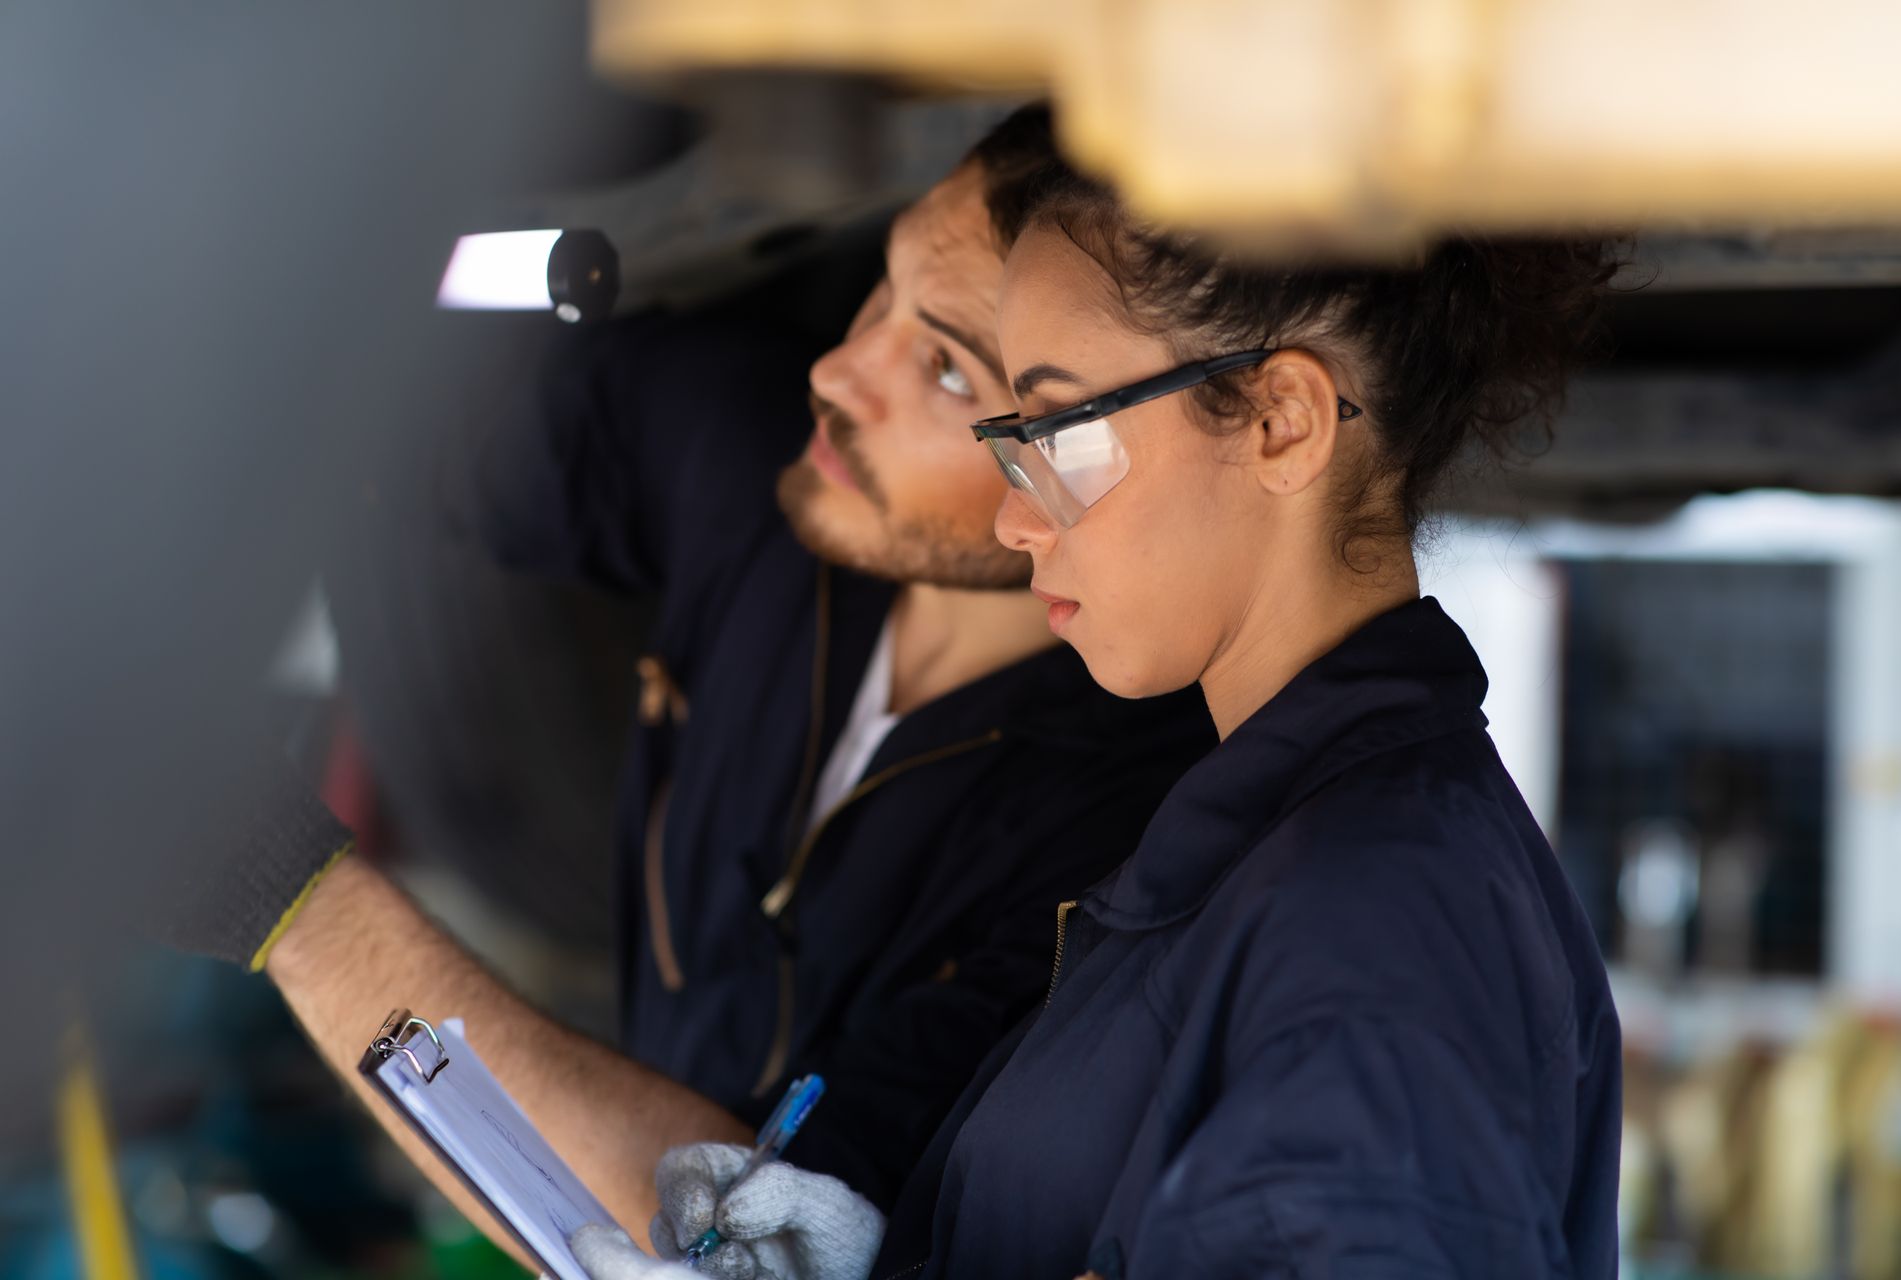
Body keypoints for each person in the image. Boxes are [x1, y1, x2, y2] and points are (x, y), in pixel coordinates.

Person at [167, 107, 1214, 1256]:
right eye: (882, 296)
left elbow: (737, 1235)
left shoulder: (1134, 852)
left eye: (947, 369)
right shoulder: (771, 461)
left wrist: (290, 900)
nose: (839, 371)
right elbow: (423, 427)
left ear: (1083, 451)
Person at [588, 161, 1625, 1278]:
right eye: (1011, 437)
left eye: (1058, 432)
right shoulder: (1258, 854)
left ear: (1283, 419)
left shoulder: (1381, 919)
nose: (1013, 515)